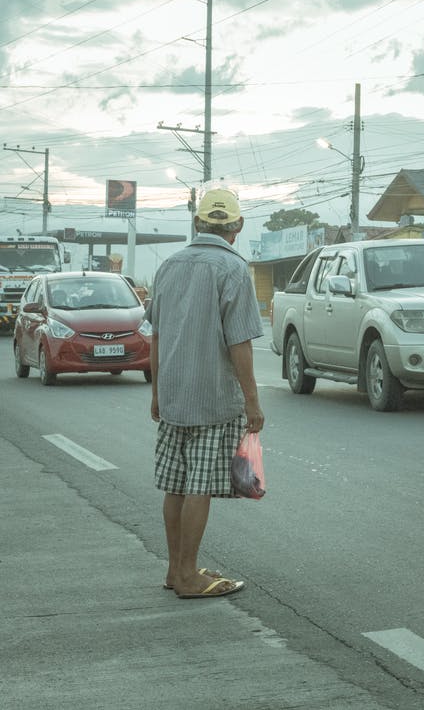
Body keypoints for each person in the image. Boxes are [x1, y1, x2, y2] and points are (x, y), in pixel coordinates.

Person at [149, 188, 265, 599]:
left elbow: (158, 336)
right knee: (198, 485)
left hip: (174, 393)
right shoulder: (233, 269)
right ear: (236, 227)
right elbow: (240, 343)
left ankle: (175, 569)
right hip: (213, 399)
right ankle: (189, 578)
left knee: (175, 485)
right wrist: (252, 402)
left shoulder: (169, 266)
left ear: (198, 223)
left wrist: (157, 393)